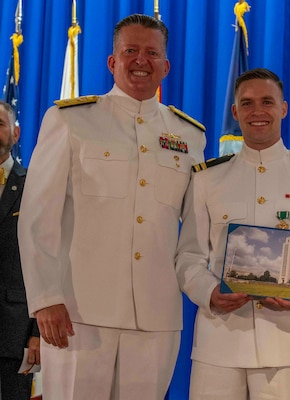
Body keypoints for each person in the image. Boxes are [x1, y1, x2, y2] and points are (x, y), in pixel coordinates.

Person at [18, 14, 206, 400]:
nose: (141, 60)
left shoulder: (189, 135)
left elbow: (195, 233)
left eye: (152, 53)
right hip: (77, 313)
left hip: (156, 316)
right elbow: (38, 218)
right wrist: (45, 299)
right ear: (112, 61)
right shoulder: (71, 120)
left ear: (166, 66)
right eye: (130, 51)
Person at [175, 68, 290, 400]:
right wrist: (210, 292)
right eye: (248, 103)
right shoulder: (207, 178)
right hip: (219, 342)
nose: (257, 111)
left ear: (283, 108)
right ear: (235, 111)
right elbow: (189, 256)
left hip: (288, 343)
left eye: (267, 102)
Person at [0, 100, 40, 399]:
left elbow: (49, 259)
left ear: (16, 133)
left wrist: (38, 332)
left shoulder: (37, 186)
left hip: (14, 333)